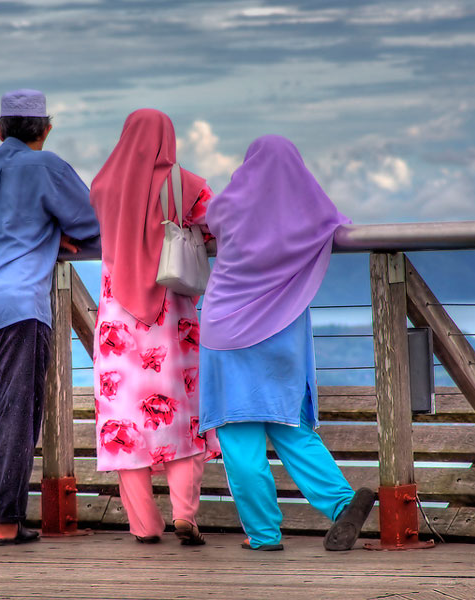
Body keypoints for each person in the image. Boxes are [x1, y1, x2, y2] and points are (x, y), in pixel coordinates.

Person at [198, 135, 375, 551]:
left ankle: (263, 534)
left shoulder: (225, 206)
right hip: (282, 331)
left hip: (226, 328)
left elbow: (210, 224)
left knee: (239, 435)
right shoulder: (309, 209)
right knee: (290, 426)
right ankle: (342, 503)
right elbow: (339, 223)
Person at [0, 89, 100, 545]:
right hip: (20, 305)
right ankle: (5, 522)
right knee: (19, 414)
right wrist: (51, 235)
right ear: (47, 129)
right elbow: (91, 225)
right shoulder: (49, 167)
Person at [89, 109, 219, 546]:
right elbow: (219, 225)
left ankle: (144, 525)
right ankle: (185, 514)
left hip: (117, 321)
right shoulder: (187, 185)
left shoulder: (103, 185)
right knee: (183, 417)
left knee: (124, 423)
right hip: (170, 316)